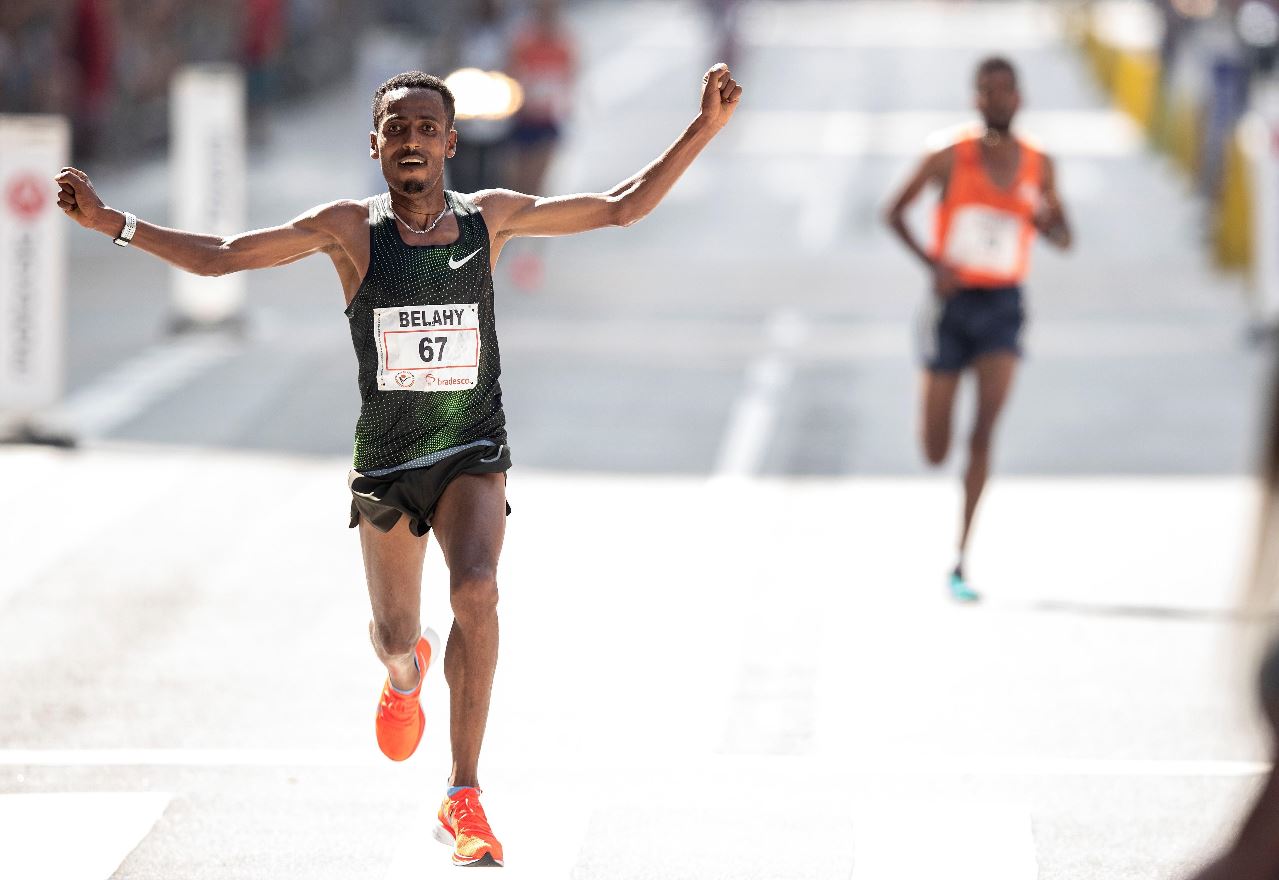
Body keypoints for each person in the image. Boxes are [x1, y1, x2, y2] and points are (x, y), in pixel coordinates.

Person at [54, 63, 743, 867]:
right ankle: (405, 669)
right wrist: (113, 223)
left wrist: (703, 129)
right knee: (393, 635)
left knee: (477, 590)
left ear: (449, 143)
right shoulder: (348, 228)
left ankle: (463, 793)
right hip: (387, 464)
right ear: (374, 144)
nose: (411, 140)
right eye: (396, 128)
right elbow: (223, 257)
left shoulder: (489, 219)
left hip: (471, 449)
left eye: (426, 128)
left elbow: (622, 205)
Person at [883, 56, 1072, 602]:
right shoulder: (948, 154)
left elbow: (1065, 237)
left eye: (1005, 90)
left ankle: (961, 558)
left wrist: (1046, 223)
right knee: (935, 450)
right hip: (951, 305)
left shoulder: (1039, 163)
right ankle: (932, 403)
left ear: (1020, 98)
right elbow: (893, 212)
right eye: (987, 90)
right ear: (975, 99)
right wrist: (933, 265)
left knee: (984, 433)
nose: (997, 99)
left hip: (1002, 307)